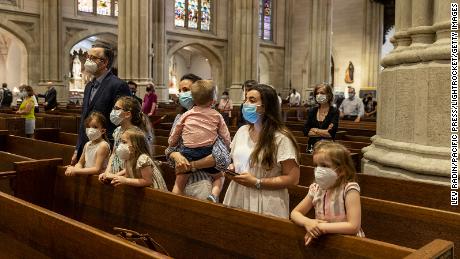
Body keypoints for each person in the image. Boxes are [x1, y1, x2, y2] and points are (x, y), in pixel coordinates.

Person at [223, 84, 300, 218]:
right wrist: (233, 168)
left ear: (265, 107)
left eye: (252, 100)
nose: (246, 104)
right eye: (245, 99)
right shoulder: (242, 131)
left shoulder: (281, 138)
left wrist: (257, 182)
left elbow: (293, 178)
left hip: (267, 199)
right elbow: (238, 160)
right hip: (238, 194)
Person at [166, 74, 231, 201]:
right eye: (180, 91)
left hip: (203, 181)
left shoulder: (213, 119)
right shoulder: (180, 117)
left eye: (186, 90)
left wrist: (191, 164)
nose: (182, 94)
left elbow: (220, 156)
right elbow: (170, 150)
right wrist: (176, 156)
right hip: (184, 175)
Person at [290, 141, 364, 246]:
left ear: (341, 170)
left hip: (349, 243)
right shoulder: (316, 189)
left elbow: (353, 226)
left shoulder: (349, 189)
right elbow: (295, 213)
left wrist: (319, 227)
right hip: (324, 241)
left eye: (324, 165)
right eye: (316, 165)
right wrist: (307, 222)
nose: (318, 170)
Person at [71, 44, 131, 165]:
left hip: (106, 147)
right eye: (87, 57)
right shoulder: (89, 86)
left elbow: (122, 120)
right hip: (87, 146)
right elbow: (85, 118)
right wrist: (78, 148)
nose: (87, 61)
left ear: (104, 62)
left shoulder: (118, 85)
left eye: (92, 58)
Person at [99, 96, 154, 179]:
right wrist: (107, 172)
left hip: (131, 174)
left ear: (128, 114)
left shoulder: (136, 133)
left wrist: (116, 176)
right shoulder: (117, 131)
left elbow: (135, 162)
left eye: (116, 108)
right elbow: (114, 153)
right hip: (116, 172)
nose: (113, 111)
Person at [65, 111, 110, 176]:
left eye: (95, 127)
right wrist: (75, 168)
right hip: (87, 175)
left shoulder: (103, 146)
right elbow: (80, 163)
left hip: (97, 179)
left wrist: (76, 170)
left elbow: (97, 169)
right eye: (89, 127)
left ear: (103, 131)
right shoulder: (87, 144)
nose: (91, 130)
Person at [303, 83, 339, 153]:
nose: (319, 95)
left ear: (329, 95)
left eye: (322, 93)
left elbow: (330, 134)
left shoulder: (334, 111)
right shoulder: (312, 111)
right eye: (317, 93)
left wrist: (314, 129)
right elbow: (305, 131)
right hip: (312, 147)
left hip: (328, 148)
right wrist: (324, 132)